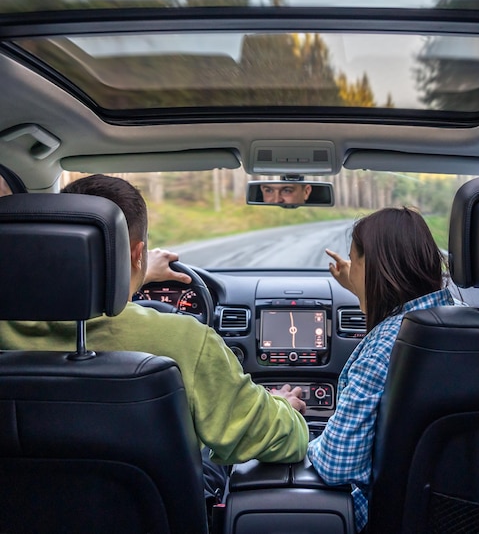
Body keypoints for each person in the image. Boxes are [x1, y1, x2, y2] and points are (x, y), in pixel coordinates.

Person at [0, 174, 308, 507]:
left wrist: (137, 273)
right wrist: (285, 408)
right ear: (138, 253)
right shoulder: (184, 340)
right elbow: (277, 441)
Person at [307, 207, 454, 534]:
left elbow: (336, 465)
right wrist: (363, 288)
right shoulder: (460, 321)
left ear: (372, 267)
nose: (350, 268)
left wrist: (307, 438)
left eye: (353, 259)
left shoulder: (387, 344)